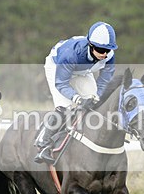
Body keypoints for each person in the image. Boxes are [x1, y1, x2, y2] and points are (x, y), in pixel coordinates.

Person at [34, 21, 117, 164]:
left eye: (107, 51)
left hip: (83, 70)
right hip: (58, 66)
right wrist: (77, 98)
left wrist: (96, 97)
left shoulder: (109, 55)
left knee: (93, 102)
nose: (104, 54)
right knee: (65, 108)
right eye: (101, 50)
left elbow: (104, 80)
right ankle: (43, 141)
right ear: (91, 45)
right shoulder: (70, 54)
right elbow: (61, 83)